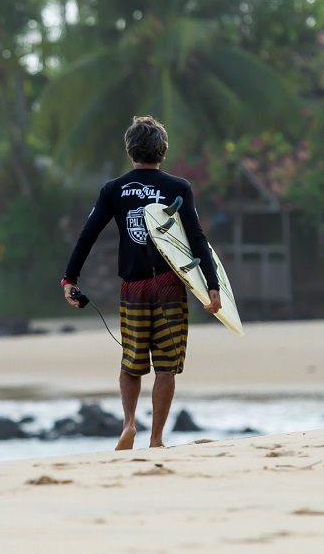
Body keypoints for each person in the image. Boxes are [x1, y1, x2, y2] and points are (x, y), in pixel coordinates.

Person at [61, 116, 221, 450]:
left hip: (133, 286)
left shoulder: (114, 189)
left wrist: (70, 278)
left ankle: (129, 424)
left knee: (131, 363)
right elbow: (197, 238)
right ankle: (157, 438)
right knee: (166, 366)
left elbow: (88, 234)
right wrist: (214, 286)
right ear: (163, 149)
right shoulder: (179, 187)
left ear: (129, 149)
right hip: (168, 284)